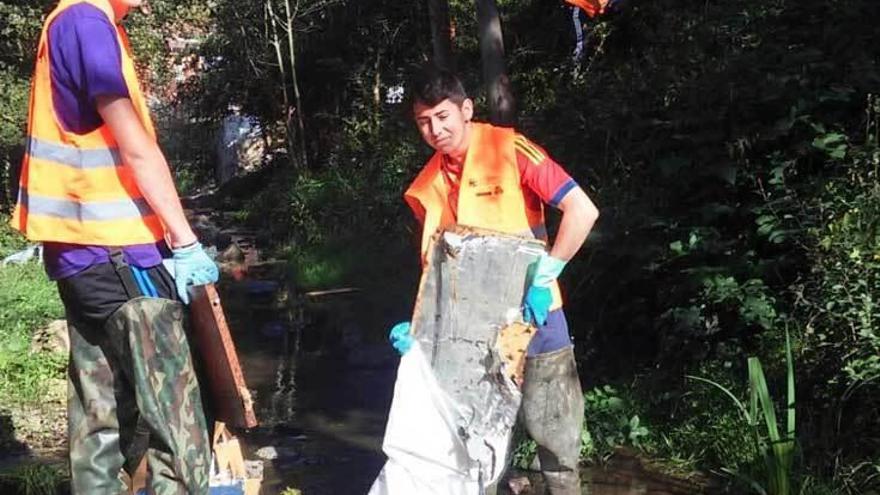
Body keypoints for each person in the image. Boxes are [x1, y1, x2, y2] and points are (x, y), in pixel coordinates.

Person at [10, 0, 218, 492]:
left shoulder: (65, 22)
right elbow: (136, 146)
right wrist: (186, 241)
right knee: (179, 432)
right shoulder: (86, 23)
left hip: (81, 261)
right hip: (123, 259)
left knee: (98, 428)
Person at [391, 66, 600, 494]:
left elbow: (583, 210)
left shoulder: (511, 150)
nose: (435, 129)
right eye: (424, 122)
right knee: (475, 449)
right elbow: (437, 269)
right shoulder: (427, 184)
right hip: (468, 338)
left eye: (443, 116)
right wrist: (419, 332)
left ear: (466, 110)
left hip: (536, 318)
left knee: (557, 444)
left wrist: (549, 272)